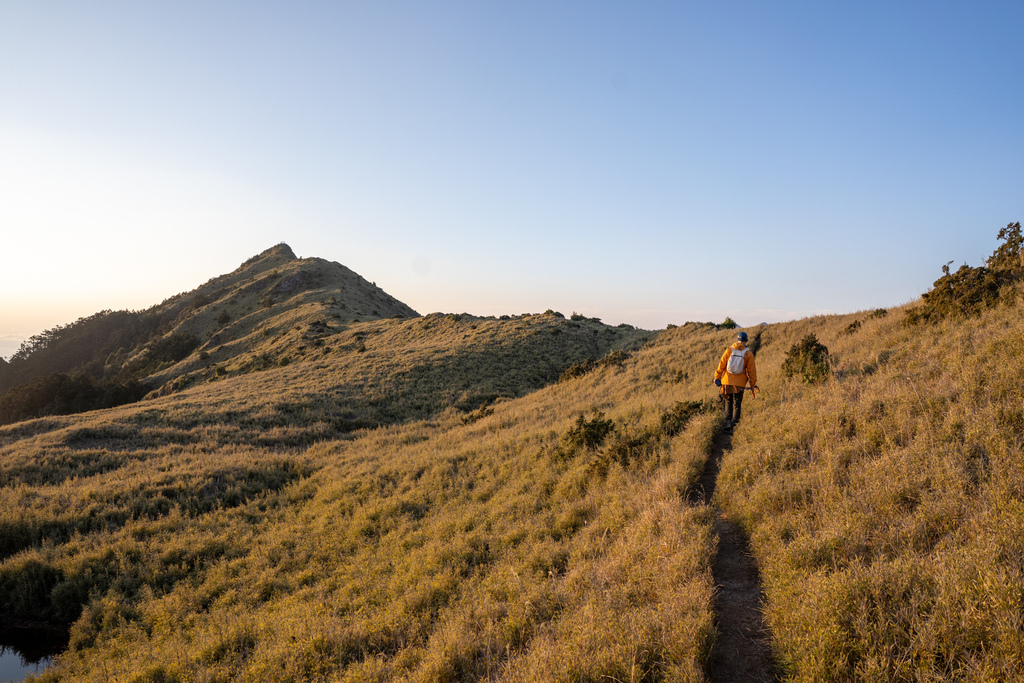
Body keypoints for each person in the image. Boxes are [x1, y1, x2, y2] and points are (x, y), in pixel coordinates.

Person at [714, 331, 757, 430]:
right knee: (737, 404)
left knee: (728, 401)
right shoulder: (748, 353)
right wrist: (752, 384)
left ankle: (727, 423)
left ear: (737, 340)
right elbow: (752, 371)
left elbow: (721, 364)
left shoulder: (729, 350)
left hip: (726, 382)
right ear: (746, 341)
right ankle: (735, 425)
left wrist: (717, 377)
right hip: (739, 384)